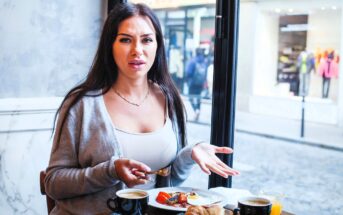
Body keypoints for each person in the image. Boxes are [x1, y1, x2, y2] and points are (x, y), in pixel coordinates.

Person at [45, 3, 239, 214]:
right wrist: (111, 171)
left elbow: (169, 182)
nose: (137, 50)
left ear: (157, 46)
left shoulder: (170, 99)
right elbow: (53, 184)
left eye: (147, 40)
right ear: (110, 46)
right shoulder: (82, 104)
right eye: (126, 40)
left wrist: (189, 154)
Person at [186, 47, 208, 121]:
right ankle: (198, 110)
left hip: (193, 83)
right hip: (201, 83)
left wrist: (188, 79)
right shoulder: (204, 61)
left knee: (190, 97)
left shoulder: (193, 61)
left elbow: (188, 72)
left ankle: (196, 110)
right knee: (198, 97)